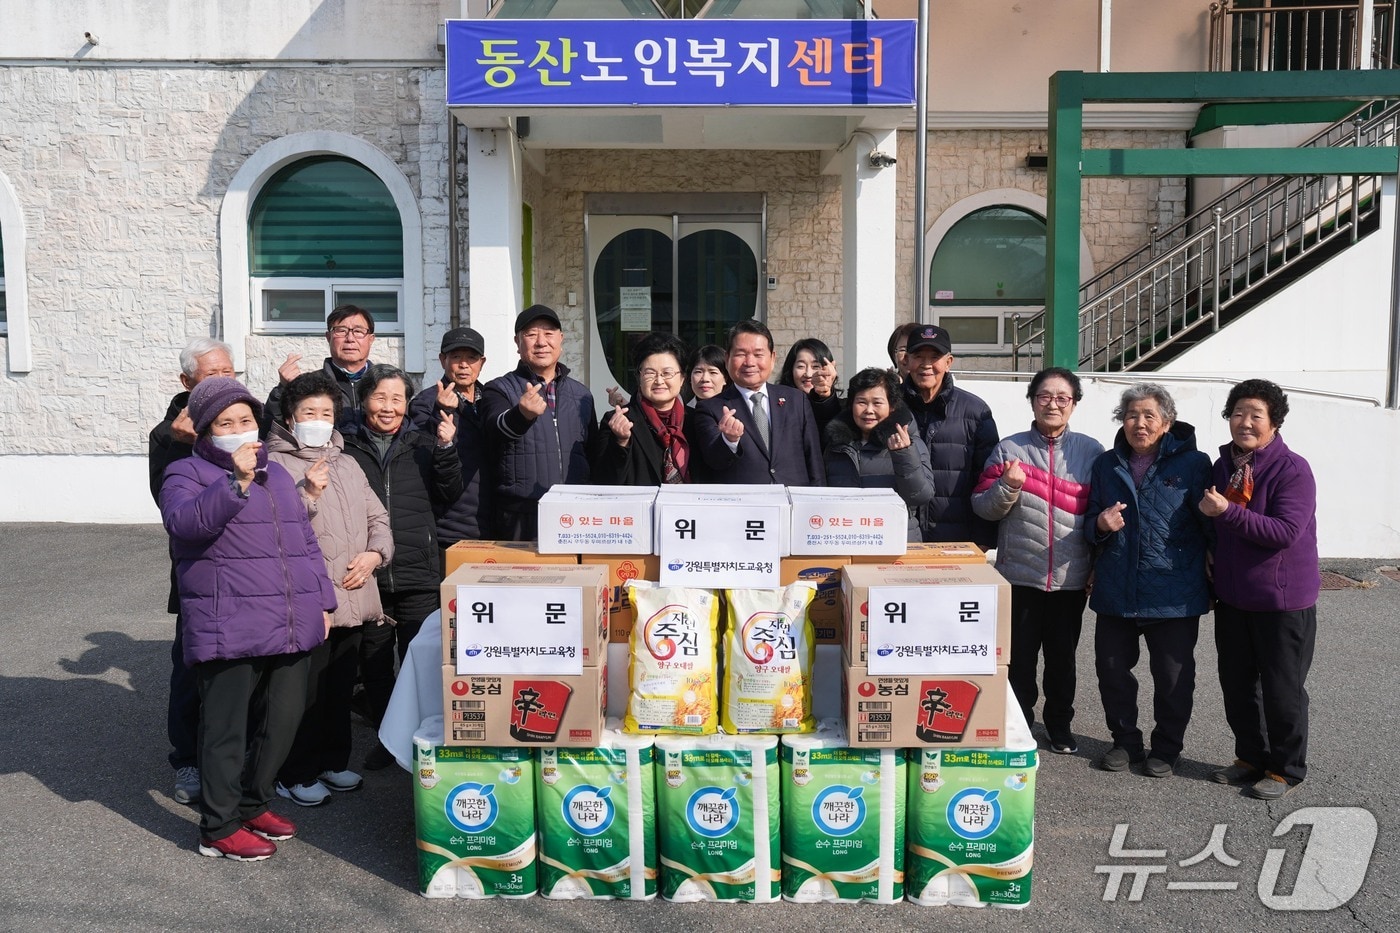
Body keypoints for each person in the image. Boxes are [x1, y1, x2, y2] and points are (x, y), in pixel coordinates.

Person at [159, 377, 334, 861]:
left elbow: (302, 543)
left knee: (281, 720)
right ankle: (217, 827)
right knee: (225, 728)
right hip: (228, 621)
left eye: (246, 420)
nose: (239, 430)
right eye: (225, 423)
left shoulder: (275, 473)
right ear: (206, 431)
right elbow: (185, 525)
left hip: (288, 619)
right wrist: (234, 482)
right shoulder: (185, 474)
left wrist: (322, 600)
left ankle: (253, 802)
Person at [266, 373, 395, 807]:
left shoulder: (347, 463)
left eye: (326, 413)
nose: (318, 421)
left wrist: (375, 556)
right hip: (308, 599)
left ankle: (331, 761)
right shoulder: (275, 463)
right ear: (290, 418)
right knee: (304, 691)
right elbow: (271, 530)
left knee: (339, 685)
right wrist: (307, 493)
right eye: (309, 413)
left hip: (355, 593)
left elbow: (379, 519)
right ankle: (294, 771)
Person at [971, 367, 1104, 754]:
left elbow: (1098, 515)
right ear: (1032, 399)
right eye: (1045, 395)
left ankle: (1060, 726)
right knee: (1021, 658)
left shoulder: (1091, 453)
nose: (1053, 404)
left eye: (1063, 397)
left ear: (1074, 404)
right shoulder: (1009, 450)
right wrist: (1008, 486)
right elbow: (983, 509)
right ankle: (1019, 723)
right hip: (1019, 575)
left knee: (1062, 659)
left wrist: (1095, 564)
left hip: (1071, 577)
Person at [1199, 379, 1319, 800]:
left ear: (1274, 422)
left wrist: (1228, 513)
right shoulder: (1225, 466)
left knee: (1282, 689)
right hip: (1233, 596)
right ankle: (1250, 756)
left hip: (1281, 601)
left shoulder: (1292, 470)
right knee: (1237, 684)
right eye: (1238, 413)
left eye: (1256, 415)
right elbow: (1212, 522)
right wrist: (1211, 549)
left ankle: (1286, 768)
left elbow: (1285, 531)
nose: (1245, 422)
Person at [1087, 383, 1213, 778]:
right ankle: (1125, 741)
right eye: (1130, 416)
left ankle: (1166, 748)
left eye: (1148, 416)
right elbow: (1088, 523)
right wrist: (1100, 525)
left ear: (1167, 423)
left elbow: (1210, 525)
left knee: (1173, 677)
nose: (1139, 424)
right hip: (1116, 587)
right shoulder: (1106, 464)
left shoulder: (1194, 464)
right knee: (1111, 670)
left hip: (1174, 590)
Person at [342, 365, 464, 770]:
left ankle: (423, 736)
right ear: (364, 401)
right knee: (375, 665)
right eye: (380, 398)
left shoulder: (423, 441)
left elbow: (449, 493)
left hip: (417, 569)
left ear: (408, 403)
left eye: (397, 399)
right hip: (368, 573)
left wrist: (446, 450)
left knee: (421, 657)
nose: (389, 407)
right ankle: (385, 739)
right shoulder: (346, 446)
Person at [148, 337, 236, 806]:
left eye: (230, 373)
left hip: (249, 570)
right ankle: (186, 757)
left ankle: (237, 761)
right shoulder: (169, 434)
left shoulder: (244, 421)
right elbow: (171, 505)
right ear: (187, 383)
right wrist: (185, 445)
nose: (225, 382)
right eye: (212, 375)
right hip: (200, 572)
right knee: (192, 666)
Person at [480, 304, 596, 540]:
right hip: (520, 515)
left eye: (549, 333)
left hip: (574, 513)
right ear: (517, 342)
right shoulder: (499, 389)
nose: (541, 342)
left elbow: (592, 452)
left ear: (561, 339)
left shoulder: (582, 394)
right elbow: (496, 429)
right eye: (531, 334)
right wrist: (521, 414)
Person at [692, 319, 825, 486]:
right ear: (727, 358)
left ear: (772, 358)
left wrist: (817, 502)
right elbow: (713, 461)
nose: (749, 362)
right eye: (741, 354)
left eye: (758, 354)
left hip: (792, 502)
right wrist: (729, 440)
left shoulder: (796, 400)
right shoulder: (710, 408)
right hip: (744, 506)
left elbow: (814, 461)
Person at [901, 324, 999, 546]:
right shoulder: (890, 407)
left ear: (948, 362)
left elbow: (987, 479)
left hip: (957, 540)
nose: (926, 364)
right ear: (907, 360)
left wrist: (983, 539)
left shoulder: (975, 411)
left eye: (934, 356)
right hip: (899, 538)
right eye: (918, 356)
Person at [823, 367, 935, 541]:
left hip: (896, 540)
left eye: (877, 403)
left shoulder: (908, 441)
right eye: (861, 402)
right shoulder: (837, 444)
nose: (869, 410)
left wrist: (904, 454)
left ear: (891, 407)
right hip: (846, 538)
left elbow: (921, 495)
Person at [407, 326, 491, 551]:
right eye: (456, 357)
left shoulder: (492, 400)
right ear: (443, 359)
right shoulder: (426, 403)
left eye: (471, 358)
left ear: (482, 362)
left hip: (492, 520)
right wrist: (441, 410)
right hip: (451, 525)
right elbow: (424, 453)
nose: (464, 364)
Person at [593, 332, 698, 485]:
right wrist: (620, 443)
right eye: (650, 373)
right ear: (639, 377)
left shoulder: (696, 421)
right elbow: (602, 480)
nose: (659, 381)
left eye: (667, 373)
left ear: (682, 378)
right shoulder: (617, 421)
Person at [264, 305, 378, 432]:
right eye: (341, 330)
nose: (350, 339)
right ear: (328, 337)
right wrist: (283, 389)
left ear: (371, 339)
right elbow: (271, 429)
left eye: (358, 331)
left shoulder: (385, 384)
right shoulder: (308, 385)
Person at [780, 337, 842, 442]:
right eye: (801, 366)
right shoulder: (778, 405)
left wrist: (825, 398)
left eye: (816, 366)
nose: (808, 374)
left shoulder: (840, 408)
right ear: (791, 370)